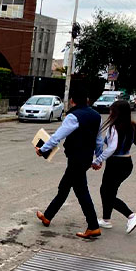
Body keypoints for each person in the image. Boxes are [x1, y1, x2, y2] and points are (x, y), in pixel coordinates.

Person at [35, 86, 102, 239]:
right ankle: (47, 216)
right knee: (65, 188)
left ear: (72, 101)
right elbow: (98, 141)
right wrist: (98, 159)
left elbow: (57, 137)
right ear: (87, 100)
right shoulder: (96, 116)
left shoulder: (74, 116)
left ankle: (93, 226)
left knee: (81, 192)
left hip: (76, 159)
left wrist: (43, 150)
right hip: (85, 159)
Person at [91, 100, 136, 234]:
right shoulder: (132, 126)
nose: (110, 112)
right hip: (127, 164)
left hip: (115, 164)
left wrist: (98, 159)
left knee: (107, 193)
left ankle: (131, 215)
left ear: (117, 113)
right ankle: (106, 219)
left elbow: (112, 148)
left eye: (112, 110)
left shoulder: (114, 127)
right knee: (108, 191)